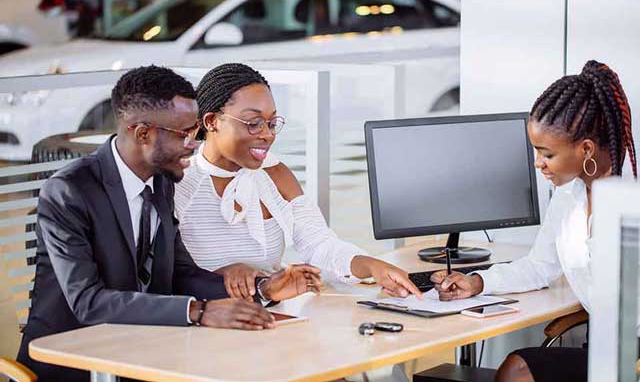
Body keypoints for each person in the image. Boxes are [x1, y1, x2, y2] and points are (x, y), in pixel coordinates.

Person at [17, 66, 322, 382]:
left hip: (144, 352)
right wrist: (197, 311)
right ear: (143, 133)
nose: (195, 143)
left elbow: (180, 273)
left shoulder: (160, 182)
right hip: (71, 362)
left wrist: (263, 288)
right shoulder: (69, 190)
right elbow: (87, 301)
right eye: (185, 134)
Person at [430, 60, 637, 382]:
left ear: (585, 149)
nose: (538, 164)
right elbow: (540, 266)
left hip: (630, 352)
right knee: (518, 367)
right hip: (604, 348)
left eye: (547, 154)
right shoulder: (569, 197)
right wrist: (477, 282)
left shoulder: (631, 201)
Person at [174, 63, 422, 300]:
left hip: (272, 318)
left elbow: (318, 245)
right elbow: (169, 275)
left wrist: (372, 266)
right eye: (253, 123)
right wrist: (218, 276)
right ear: (211, 122)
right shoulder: (179, 183)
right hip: (206, 322)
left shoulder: (274, 174)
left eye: (272, 123)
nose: (267, 135)